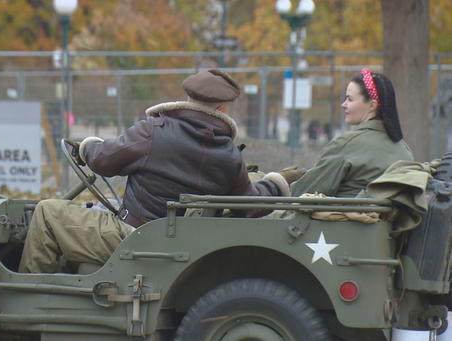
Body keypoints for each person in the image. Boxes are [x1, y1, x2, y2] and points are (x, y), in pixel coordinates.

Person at [18, 69, 301, 274]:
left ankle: (27, 303)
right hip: (182, 244)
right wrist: (276, 184)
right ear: (222, 107)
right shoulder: (228, 155)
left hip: (132, 234)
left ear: (189, 97)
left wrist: (87, 147)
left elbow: (104, 161)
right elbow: (247, 205)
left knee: (47, 212)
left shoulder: (153, 131)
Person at [291, 68, 414, 198]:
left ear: (372, 105)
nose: (343, 105)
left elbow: (302, 191)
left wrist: (276, 183)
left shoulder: (346, 145)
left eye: (349, 99)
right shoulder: (404, 151)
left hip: (344, 217)